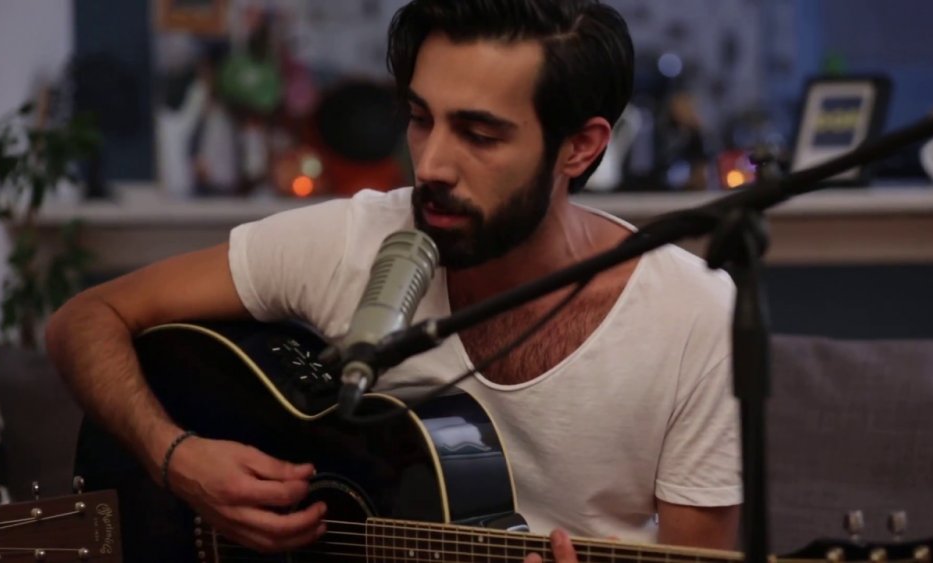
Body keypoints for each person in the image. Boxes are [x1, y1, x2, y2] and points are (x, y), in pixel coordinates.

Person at [45, 0, 741, 558]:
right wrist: (175, 458)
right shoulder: (355, 241)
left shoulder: (689, 313)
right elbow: (85, 318)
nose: (430, 164)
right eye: (419, 118)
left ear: (580, 148)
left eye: (479, 134)